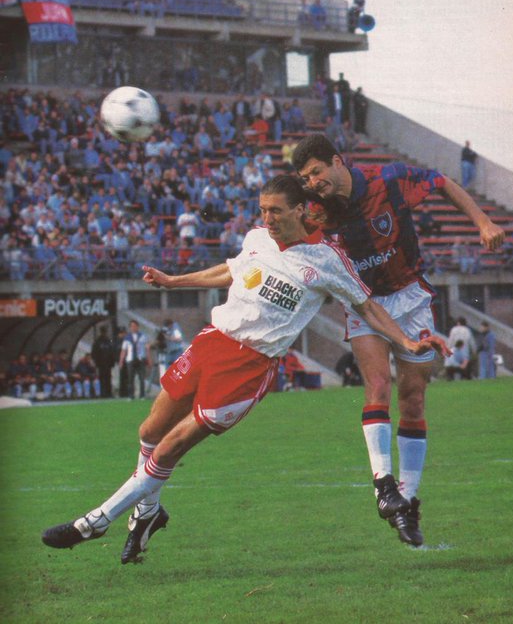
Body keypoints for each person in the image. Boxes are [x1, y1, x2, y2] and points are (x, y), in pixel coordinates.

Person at [41, 175, 448, 564]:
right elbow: (231, 270)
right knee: (149, 432)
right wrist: (174, 281)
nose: (267, 218)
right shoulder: (257, 238)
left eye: (276, 211)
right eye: (263, 210)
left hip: (249, 366)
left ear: (300, 210)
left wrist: (407, 342)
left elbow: (368, 307)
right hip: (211, 342)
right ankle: (148, 512)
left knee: (169, 448)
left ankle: (94, 522)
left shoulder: (327, 260)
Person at [292, 133, 505, 546]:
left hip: (410, 297)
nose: (313, 183)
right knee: (377, 384)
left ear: (337, 161)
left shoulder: (388, 179)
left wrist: (482, 221)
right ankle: (384, 486)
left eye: (316, 172)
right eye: (305, 178)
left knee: (413, 397)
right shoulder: (315, 208)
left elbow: (441, 182)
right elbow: (286, 228)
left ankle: (408, 499)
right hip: (365, 303)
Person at [119, 320, 152, 400]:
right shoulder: (127, 338)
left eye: (135, 326)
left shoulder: (143, 336)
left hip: (140, 359)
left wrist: (149, 359)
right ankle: (131, 395)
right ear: (130, 328)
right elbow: (124, 350)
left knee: (141, 378)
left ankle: (142, 395)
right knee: (130, 378)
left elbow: (147, 349)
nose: (133, 328)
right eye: (132, 326)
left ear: (138, 327)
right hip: (130, 359)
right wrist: (121, 360)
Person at [91, 325, 116, 398]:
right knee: (102, 378)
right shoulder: (97, 342)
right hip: (101, 364)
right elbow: (94, 353)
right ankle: (102, 393)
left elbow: (112, 352)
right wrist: (96, 362)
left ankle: (108, 393)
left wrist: (112, 362)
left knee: (108, 378)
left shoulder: (108, 341)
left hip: (108, 364)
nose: (104, 333)